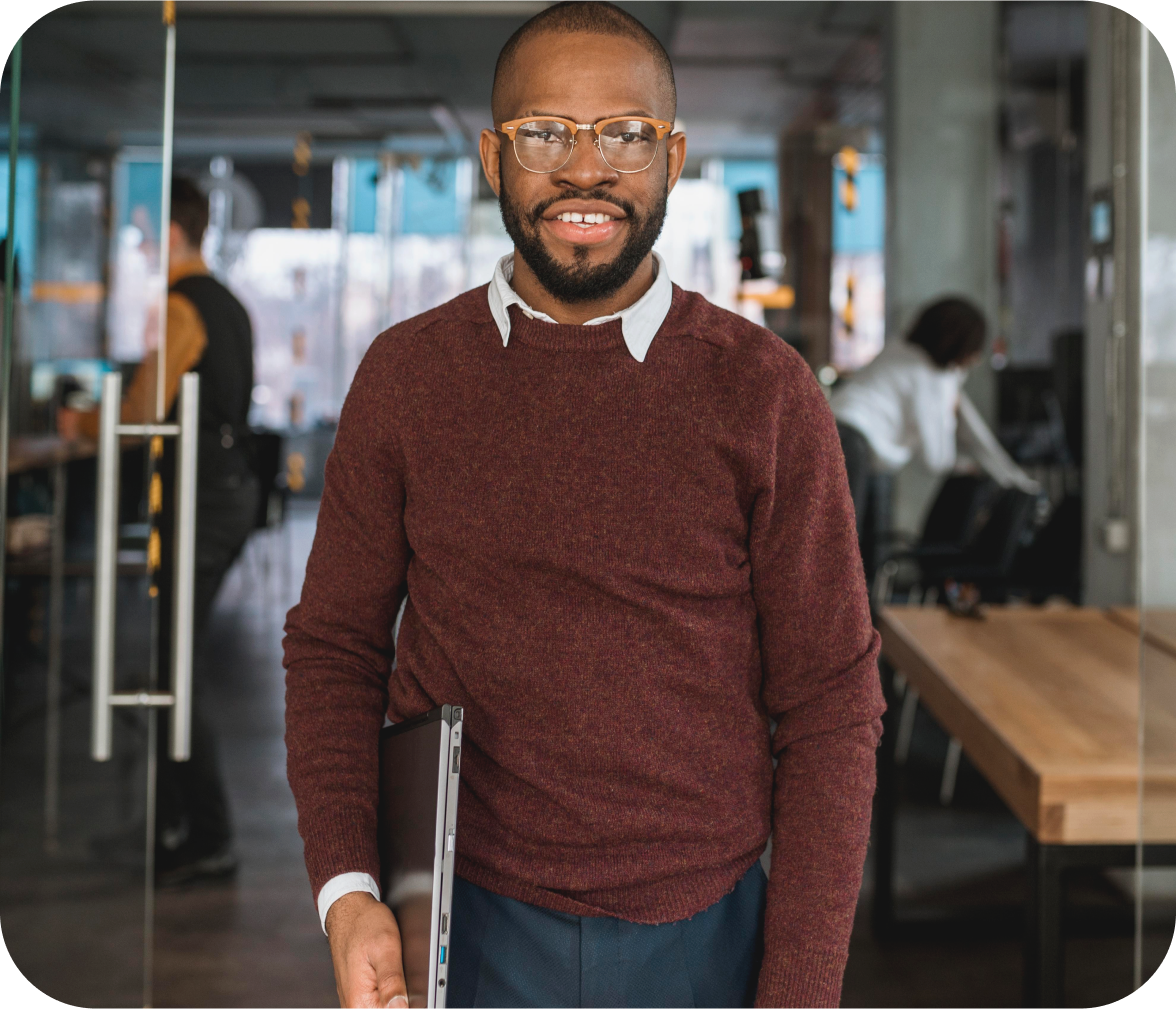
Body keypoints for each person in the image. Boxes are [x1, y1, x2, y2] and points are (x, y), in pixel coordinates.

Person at [283, 3, 884, 1007]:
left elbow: (831, 700)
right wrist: (347, 891)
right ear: (492, 156)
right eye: (545, 133)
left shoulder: (763, 388)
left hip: (706, 930)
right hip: (462, 921)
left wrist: (801, 982)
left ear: (673, 157)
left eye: (625, 134)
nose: (585, 168)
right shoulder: (408, 376)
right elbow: (337, 647)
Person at [61, 177, 258, 884]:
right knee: (177, 670)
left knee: (177, 674)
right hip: (224, 496)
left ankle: (207, 834)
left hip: (201, 506)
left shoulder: (184, 305)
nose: (140, 247)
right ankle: (177, 824)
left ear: (170, 234)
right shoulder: (226, 301)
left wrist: (79, 422)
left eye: (143, 234)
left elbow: (142, 405)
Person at [830, 297, 1040, 555]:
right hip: (852, 446)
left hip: (835, 429)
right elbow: (937, 459)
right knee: (844, 549)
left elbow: (972, 428)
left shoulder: (900, 349)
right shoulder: (931, 379)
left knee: (855, 543)